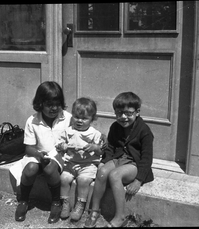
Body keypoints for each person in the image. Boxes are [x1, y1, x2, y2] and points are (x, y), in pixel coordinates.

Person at [84, 92, 154, 228]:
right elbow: (110, 147)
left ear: (137, 112)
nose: (123, 117)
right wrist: (104, 162)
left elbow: (146, 158)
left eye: (129, 113)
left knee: (115, 175)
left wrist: (138, 180)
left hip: (135, 163)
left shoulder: (144, 131)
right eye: (119, 113)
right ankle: (94, 210)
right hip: (119, 158)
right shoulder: (115, 127)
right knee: (103, 172)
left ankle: (120, 216)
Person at [14, 81, 72, 224]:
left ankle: (56, 202)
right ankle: (24, 201)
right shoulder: (32, 120)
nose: (54, 108)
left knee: (49, 167)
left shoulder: (68, 118)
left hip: (59, 156)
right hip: (38, 154)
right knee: (30, 169)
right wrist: (38, 155)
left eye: (57, 104)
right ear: (40, 104)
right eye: (49, 104)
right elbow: (28, 148)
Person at [55, 97, 104, 222]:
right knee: (64, 179)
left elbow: (101, 151)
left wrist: (95, 147)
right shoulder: (68, 131)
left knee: (83, 180)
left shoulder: (95, 134)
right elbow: (59, 145)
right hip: (71, 163)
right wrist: (62, 146)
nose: (80, 121)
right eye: (77, 117)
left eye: (85, 118)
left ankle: (80, 205)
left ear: (92, 119)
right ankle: (65, 203)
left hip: (88, 165)